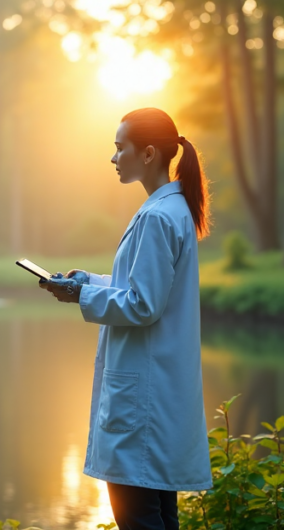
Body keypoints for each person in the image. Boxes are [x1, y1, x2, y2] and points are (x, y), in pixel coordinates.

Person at [39, 107, 213, 530]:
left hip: (143, 403)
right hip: (156, 396)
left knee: (139, 519)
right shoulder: (173, 209)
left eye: (120, 148)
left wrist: (79, 294)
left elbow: (142, 305)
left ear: (148, 154)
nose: (113, 158)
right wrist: (88, 282)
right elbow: (142, 287)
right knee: (160, 517)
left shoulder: (156, 216)